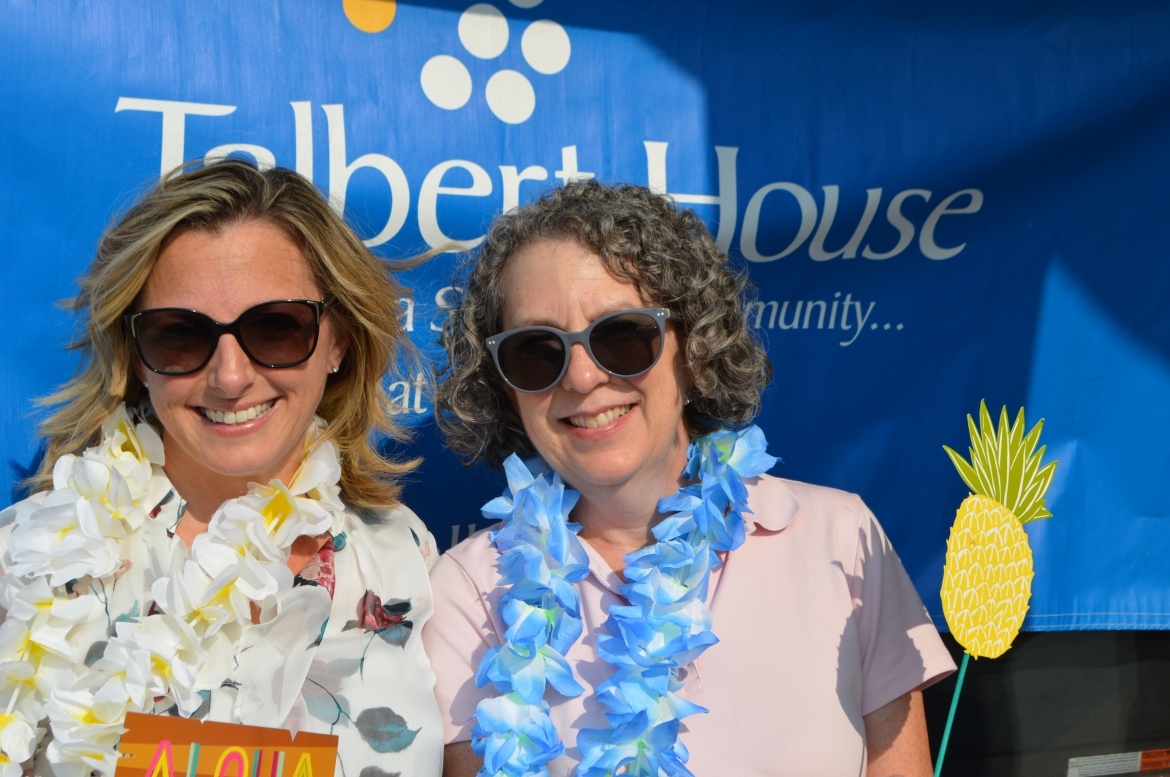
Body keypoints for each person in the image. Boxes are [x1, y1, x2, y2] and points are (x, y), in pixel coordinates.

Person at [424, 181, 956, 777]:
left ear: (695, 346)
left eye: (622, 336)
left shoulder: (840, 538)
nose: (579, 377)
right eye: (536, 350)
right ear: (503, 385)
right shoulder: (470, 592)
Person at [0, 160, 443, 777]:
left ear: (338, 339)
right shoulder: (23, 565)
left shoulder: (405, 554)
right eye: (179, 334)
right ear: (136, 355)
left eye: (276, 327)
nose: (231, 377)